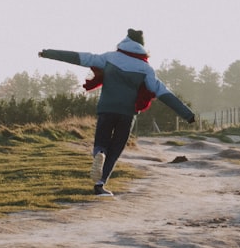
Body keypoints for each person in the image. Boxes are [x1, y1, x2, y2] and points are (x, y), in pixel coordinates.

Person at [38, 29, 195, 196]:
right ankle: (100, 184)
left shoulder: (110, 57)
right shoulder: (145, 68)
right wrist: (187, 114)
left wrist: (49, 53)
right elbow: (163, 93)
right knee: (116, 149)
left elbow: (81, 57)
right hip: (127, 113)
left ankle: (99, 153)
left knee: (101, 142)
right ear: (142, 45)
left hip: (106, 109)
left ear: (125, 41)